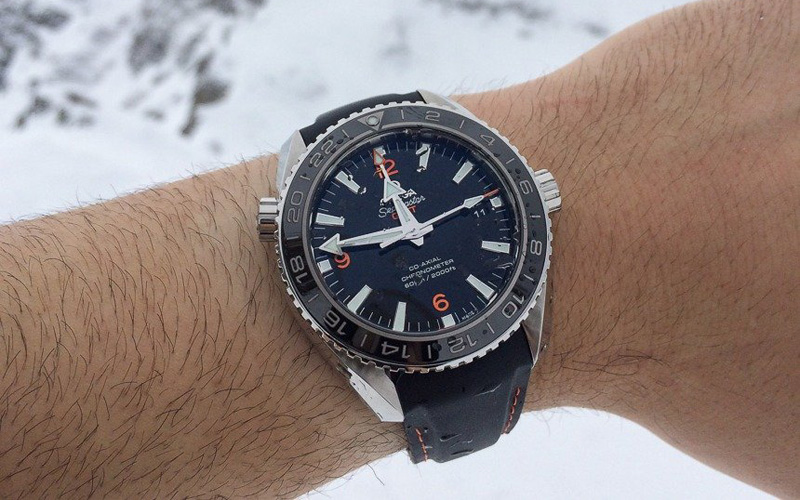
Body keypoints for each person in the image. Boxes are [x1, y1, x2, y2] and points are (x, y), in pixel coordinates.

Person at [0, 0, 797, 497]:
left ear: (535, 192)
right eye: (404, 232)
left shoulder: (498, 215)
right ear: (282, 229)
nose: (417, 234)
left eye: (418, 227)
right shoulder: (318, 256)